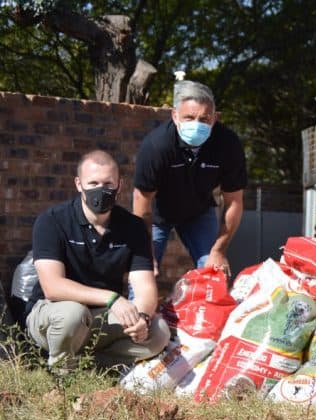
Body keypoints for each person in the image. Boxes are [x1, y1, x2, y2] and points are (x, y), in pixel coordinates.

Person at [26, 150, 170, 371]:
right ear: (78, 184)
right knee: (72, 314)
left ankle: (90, 368)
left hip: (99, 316)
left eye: (107, 183)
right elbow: (52, 287)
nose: (100, 190)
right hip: (52, 314)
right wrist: (112, 298)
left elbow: (145, 288)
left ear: (119, 186)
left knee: (158, 332)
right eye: (92, 182)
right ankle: (62, 373)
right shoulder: (52, 220)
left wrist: (141, 318)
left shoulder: (133, 227)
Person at [133, 80, 247, 277]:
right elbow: (141, 202)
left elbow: (234, 202)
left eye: (204, 119)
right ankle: (139, 307)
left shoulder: (228, 144)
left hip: (200, 212)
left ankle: (209, 307)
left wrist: (219, 250)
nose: (196, 124)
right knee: (143, 272)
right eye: (189, 117)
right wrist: (146, 250)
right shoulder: (156, 146)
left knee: (214, 272)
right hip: (159, 214)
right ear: (175, 116)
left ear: (215, 118)